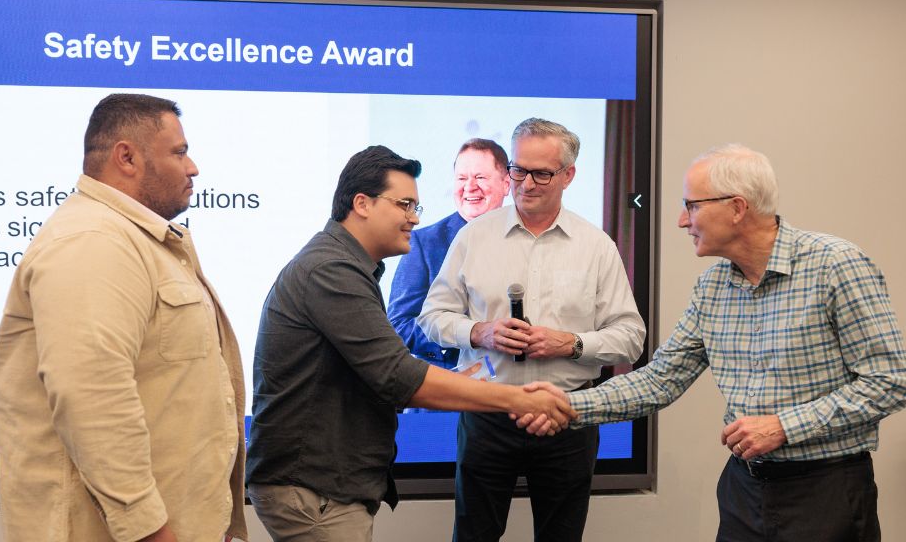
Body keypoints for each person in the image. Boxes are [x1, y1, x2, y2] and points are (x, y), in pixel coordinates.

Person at [521, 143, 906, 541]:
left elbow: (889, 382)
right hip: (743, 491)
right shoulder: (712, 287)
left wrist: (784, 427)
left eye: (691, 206)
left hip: (826, 491)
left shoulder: (836, 265)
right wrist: (567, 404)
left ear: (737, 208)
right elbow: (660, 380)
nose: (681, 221)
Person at [244, 145, 575, 542]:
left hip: (327, 485)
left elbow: (375, 369)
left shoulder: (345, 266)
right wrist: (518, 398)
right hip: (315, 487)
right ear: (362, 204)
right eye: (404, 205)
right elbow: (397, 374)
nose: (414, 218)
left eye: (416, 206)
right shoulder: (331, 270)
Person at [0, 94, 247, 542]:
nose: (192, 168)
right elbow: (92, 398)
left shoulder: (133, 239)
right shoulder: (93, 240)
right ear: (126, 157)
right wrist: (149, 530)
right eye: (179, 152)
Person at [418, 118, 646, 542]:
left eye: (541, 173)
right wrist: (480, 332)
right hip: (488, 412)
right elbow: (431, 317)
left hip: (567, 415)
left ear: (568, 175)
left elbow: (631, 336)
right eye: (518, 170)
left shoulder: (596, 246)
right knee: (473, 535)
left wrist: (572, 344)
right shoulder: (473, 237)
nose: (526, 183)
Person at [388, 138, 510, 369]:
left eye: (480, 177)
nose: (470, 187)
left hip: (518, 380)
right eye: (462, 178)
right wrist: (469, 334)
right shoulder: (424, 243)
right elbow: (398, 325)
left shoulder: (526, 239)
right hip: (449, 381)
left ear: (506, 184)